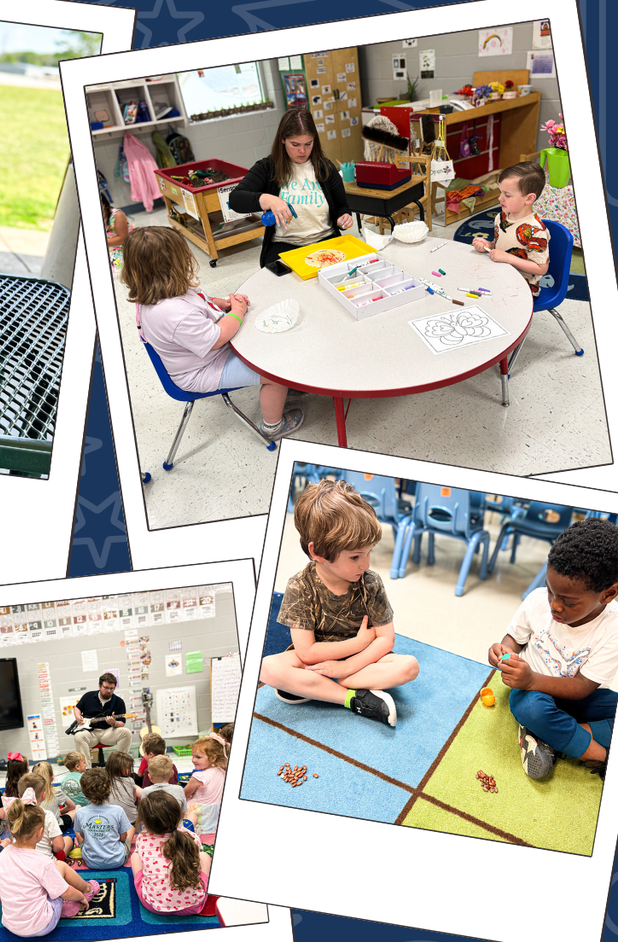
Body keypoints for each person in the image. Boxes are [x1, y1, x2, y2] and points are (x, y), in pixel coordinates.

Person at [259, 479, 419, 727]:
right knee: (267, 668)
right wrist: (358, 642)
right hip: (318, 662)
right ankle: (351, 698)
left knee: (409, 666)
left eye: (369, 552)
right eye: (355, 556)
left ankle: (317, 689)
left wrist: (346, 668)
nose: (365, 564)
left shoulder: (371, 582)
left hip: (364, 660)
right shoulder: (299, 587)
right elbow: (307, 652)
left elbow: (386, 639)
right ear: (318, 553)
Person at [121, 227, 304, 443]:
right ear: (170, 266)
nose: (189, 257)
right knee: (275, 371)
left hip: (204, 354)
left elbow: (199, 299)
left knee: (269, 342)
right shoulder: (173, 314)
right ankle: (273, 426)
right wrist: (237, 311)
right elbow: (217, 339)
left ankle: (284, 391)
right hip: (203, 370)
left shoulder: (159, 289)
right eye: (184, 254)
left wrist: (222, 304)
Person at [489, 517, 618, 780]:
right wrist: (503, 650)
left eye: (569, 602)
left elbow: (582, 688)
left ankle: (549, 736)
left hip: (579, 697)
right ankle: (599, 756)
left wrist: (532, 679)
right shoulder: (537, 601)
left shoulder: (613, 628)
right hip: (532, 692)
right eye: (550, 591)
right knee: (531, 709)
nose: (554, 605)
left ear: (608, 594)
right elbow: (515, 638)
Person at [228, 107, 353, 268]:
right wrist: (267, 199)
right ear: (282, 139)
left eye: (308, 144)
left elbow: (342, 206)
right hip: (285, 245)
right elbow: (235, 200)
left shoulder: (325, 167)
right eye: (295, 144)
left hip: (325, 240)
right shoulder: (267, 167)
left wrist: (344, 216)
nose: (303, 151)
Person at [0, 800, 99, 938]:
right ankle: (87, 890)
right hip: (42, 925)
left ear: (10, 828)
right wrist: (80, 897)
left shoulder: (2, 856)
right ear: (40, 831)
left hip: (11, 925)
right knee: (60, 868)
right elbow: (66, 892)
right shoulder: (43, 862)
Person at [472, 161, 550, 296]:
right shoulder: (501, 217)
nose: (500, 198)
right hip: (499, 272)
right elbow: (503, 245)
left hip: (522, 286)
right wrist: (488, 246)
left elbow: (541, 268)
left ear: (529, 198)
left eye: (507, 195)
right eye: (500, 192)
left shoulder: (536, 231)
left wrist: (507, 258)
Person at [131, 791, 211, 915]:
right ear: (179, 816)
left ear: (144, 821)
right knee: (204, 856)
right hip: (194, 905)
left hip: (155, 906)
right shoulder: (190, 836)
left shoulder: (142, 839)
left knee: (135, 856)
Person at [73, 766, 134, 870]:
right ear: (109, 788)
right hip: (117, 860)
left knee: (77, 831)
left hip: (91, 861)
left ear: (83, 791)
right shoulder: (118, 810)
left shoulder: (79, 812)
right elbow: (123, 838)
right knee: (131, 828)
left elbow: (83, 836)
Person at [71, 671, 133, 765]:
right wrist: (77, 716)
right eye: (106, 688)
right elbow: (77, 708)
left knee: (126, 733)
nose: (109, 691)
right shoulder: (88, 696)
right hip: (90, 733)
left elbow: (122, 723)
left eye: (111, 688)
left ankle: (120, 766)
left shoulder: (119, 702)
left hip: (108, 732)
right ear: (99, 686)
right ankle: (86, 770)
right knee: (78, 736)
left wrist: (114, 723)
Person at [182, 737, 228, 842]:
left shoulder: (199, 777)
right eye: (193, 756)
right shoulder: (222, 771)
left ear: (213, 758)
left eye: (198, 757)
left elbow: (184, 795)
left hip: (199, 815)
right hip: (215, 816)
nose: (193, 760)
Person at [31, 760, 76, 834]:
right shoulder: (56, 791)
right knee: (77, 807)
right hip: (56, 828)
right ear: (52, 777)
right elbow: (72, 806)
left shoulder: (30, 794)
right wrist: (61, 811)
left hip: (38, 830)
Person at [105, 750, 140, 826]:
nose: (131, 770)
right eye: (128, 768)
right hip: (132, 820)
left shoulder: (104, 781)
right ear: (118, 768)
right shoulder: (130, 780)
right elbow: (134, 799)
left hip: (110, 822)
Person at [101, 189, 129, 271]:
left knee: (117, 269)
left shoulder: (117, 215)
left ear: (103, 205)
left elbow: (123, 238)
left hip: (121, 247)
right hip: (109, 246)